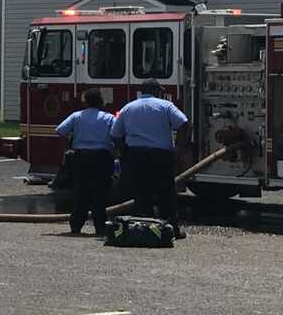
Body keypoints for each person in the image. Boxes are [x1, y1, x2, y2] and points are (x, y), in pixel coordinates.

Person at [110, 79, 189, 239]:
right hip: (161, 155)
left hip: (136, 155)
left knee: (141, 193)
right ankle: (171, 229)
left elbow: (115, 134)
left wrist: (124, 152)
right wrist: (178, 148)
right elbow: (184, 124)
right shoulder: (165, 106)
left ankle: (143, 229)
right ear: (156, 91)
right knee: (165, 193)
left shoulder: (128, 107)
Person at [55, 89, 117, 235]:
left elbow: (60, 131)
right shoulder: (108, 118)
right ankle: (100, 227)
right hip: (102, 158)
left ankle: (76, 226)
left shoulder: (76, 116)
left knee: (81, 193)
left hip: (81, 157)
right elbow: (116, 135)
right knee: (100, 194)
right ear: (100, 101)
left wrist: (67, 148)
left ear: (86, 101)